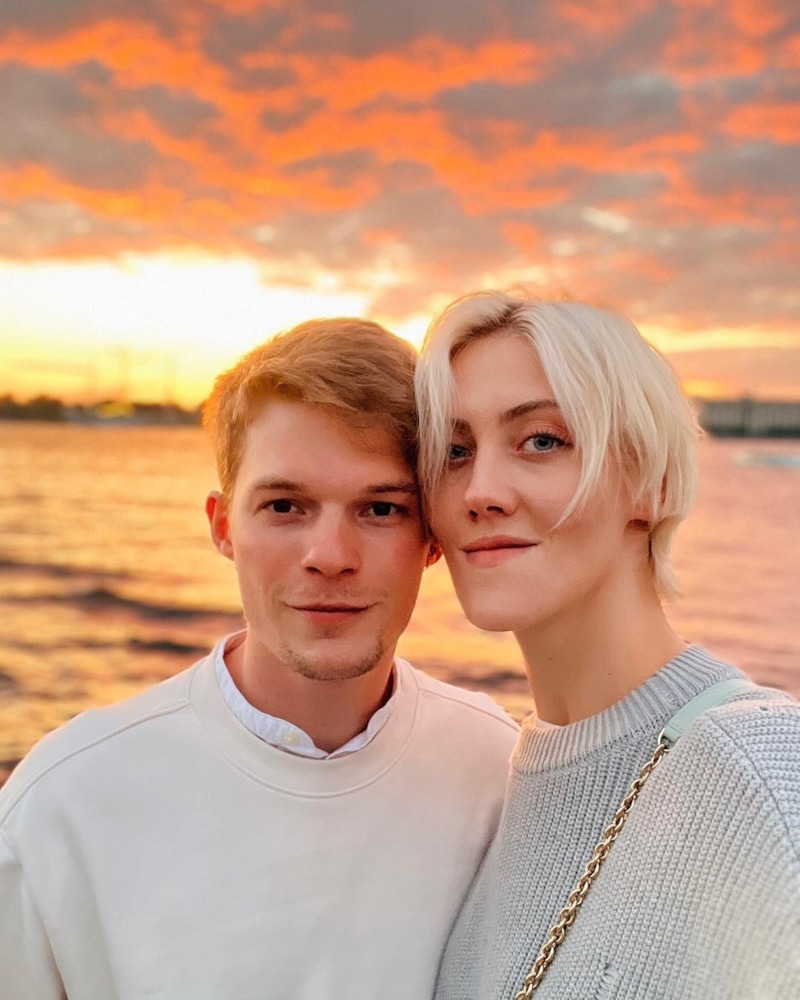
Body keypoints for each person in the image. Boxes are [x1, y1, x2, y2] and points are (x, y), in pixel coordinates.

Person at [0, 318, 518, 999]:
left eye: (380, 509)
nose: (329, 556)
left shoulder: (500, 773)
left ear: (433, 538)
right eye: (284, 505)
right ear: (223, 527)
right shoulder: (64, 802)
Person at [414, 291, 800, 999]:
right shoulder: (493, 802)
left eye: (541, 440)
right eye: (454, 451)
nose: (481, 490)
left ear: (650, 485)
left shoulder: (766, 770)